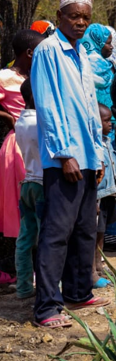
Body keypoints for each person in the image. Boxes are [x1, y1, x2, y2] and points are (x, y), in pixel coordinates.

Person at [31, 0, 109, 328]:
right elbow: (48, 105)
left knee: (83, 229)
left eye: (85, 18)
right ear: (60, 16)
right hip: (65, 159)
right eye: (74, 16)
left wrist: (98, 153)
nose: (79, 23)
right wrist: (64, 154)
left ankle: (78, 293)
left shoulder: (80, 53)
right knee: (56, 233)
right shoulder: (49, 51)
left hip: (88, 156)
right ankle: (47, 307)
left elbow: (90, 109)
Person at [0, 31, 44, 248]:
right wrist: (8, 117)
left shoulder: (35, 76)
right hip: (18, 144)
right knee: (21, 201)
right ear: (29, 53)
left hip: (38, 142)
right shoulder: (5, 77)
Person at [13, 79, 43, 299]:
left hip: (28, 184)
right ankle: (47, 286)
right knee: (46, 239)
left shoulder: (21, 121)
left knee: (25, 239)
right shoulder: (39, 123)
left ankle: (24, 287)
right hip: (43, 185)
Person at [94, 104, 116, 288]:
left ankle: (99, 265)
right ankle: (93, 269)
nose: (110, 124)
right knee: (95, 233)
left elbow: (115, 171)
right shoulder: (94, 146)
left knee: (101, 233)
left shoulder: (108, 142)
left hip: (109, 195)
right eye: (106, 121)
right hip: (98, 197)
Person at [82, 24, 115, 108]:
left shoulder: (106, 64)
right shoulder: (88, 65)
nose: (112, 47)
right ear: (97, 43)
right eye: (108, 43)